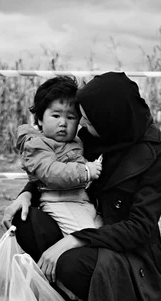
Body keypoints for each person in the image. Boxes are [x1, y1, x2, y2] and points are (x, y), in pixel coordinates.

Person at [2, 71, 161, 301]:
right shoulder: (97, 134)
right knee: (26, 221)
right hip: (83, 217)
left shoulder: (159, 153)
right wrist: (25, 194)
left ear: (112, 119)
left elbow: (139, 228)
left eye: (87, 120)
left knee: (69, 262)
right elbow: (56, 170)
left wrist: (75, 240)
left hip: (123, 248)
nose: (81, 124)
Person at [17, 76, 103, 240]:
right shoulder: (37, 144)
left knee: (103, 233)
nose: (63, 123)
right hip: (59, 201)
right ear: (40, 119)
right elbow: (50, 172)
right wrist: (85, 171)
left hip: (82, 201)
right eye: (56, 116)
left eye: (70, 118)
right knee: (89, 239)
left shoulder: (76, 142)